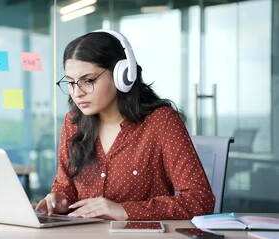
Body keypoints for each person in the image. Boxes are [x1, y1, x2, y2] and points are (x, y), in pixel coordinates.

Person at [35, 29, 215, 221]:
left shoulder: (161, 121)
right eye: (71, 82)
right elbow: (65, 187)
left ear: (123, 75)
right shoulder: (74, 123)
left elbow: (200, 200)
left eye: (88, 81)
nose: (77, 93)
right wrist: (60, 200)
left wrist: (124, 210)